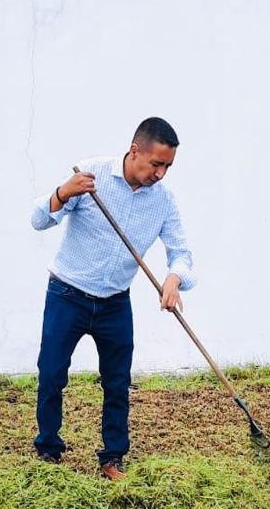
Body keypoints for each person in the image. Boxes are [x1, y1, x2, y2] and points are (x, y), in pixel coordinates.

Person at [30, 117, 195, 479]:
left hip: (114, 302)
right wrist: (62, 193)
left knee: (118, 382)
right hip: (67, 293)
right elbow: (38, 220)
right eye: (156, 164)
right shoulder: (91, 176)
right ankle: (48, 451)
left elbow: (181, 251)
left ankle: (112, 458)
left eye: (167, 166)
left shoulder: (163, 202)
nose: (161, 174)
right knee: (52, 374)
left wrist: (174, 278)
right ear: (135, 150)